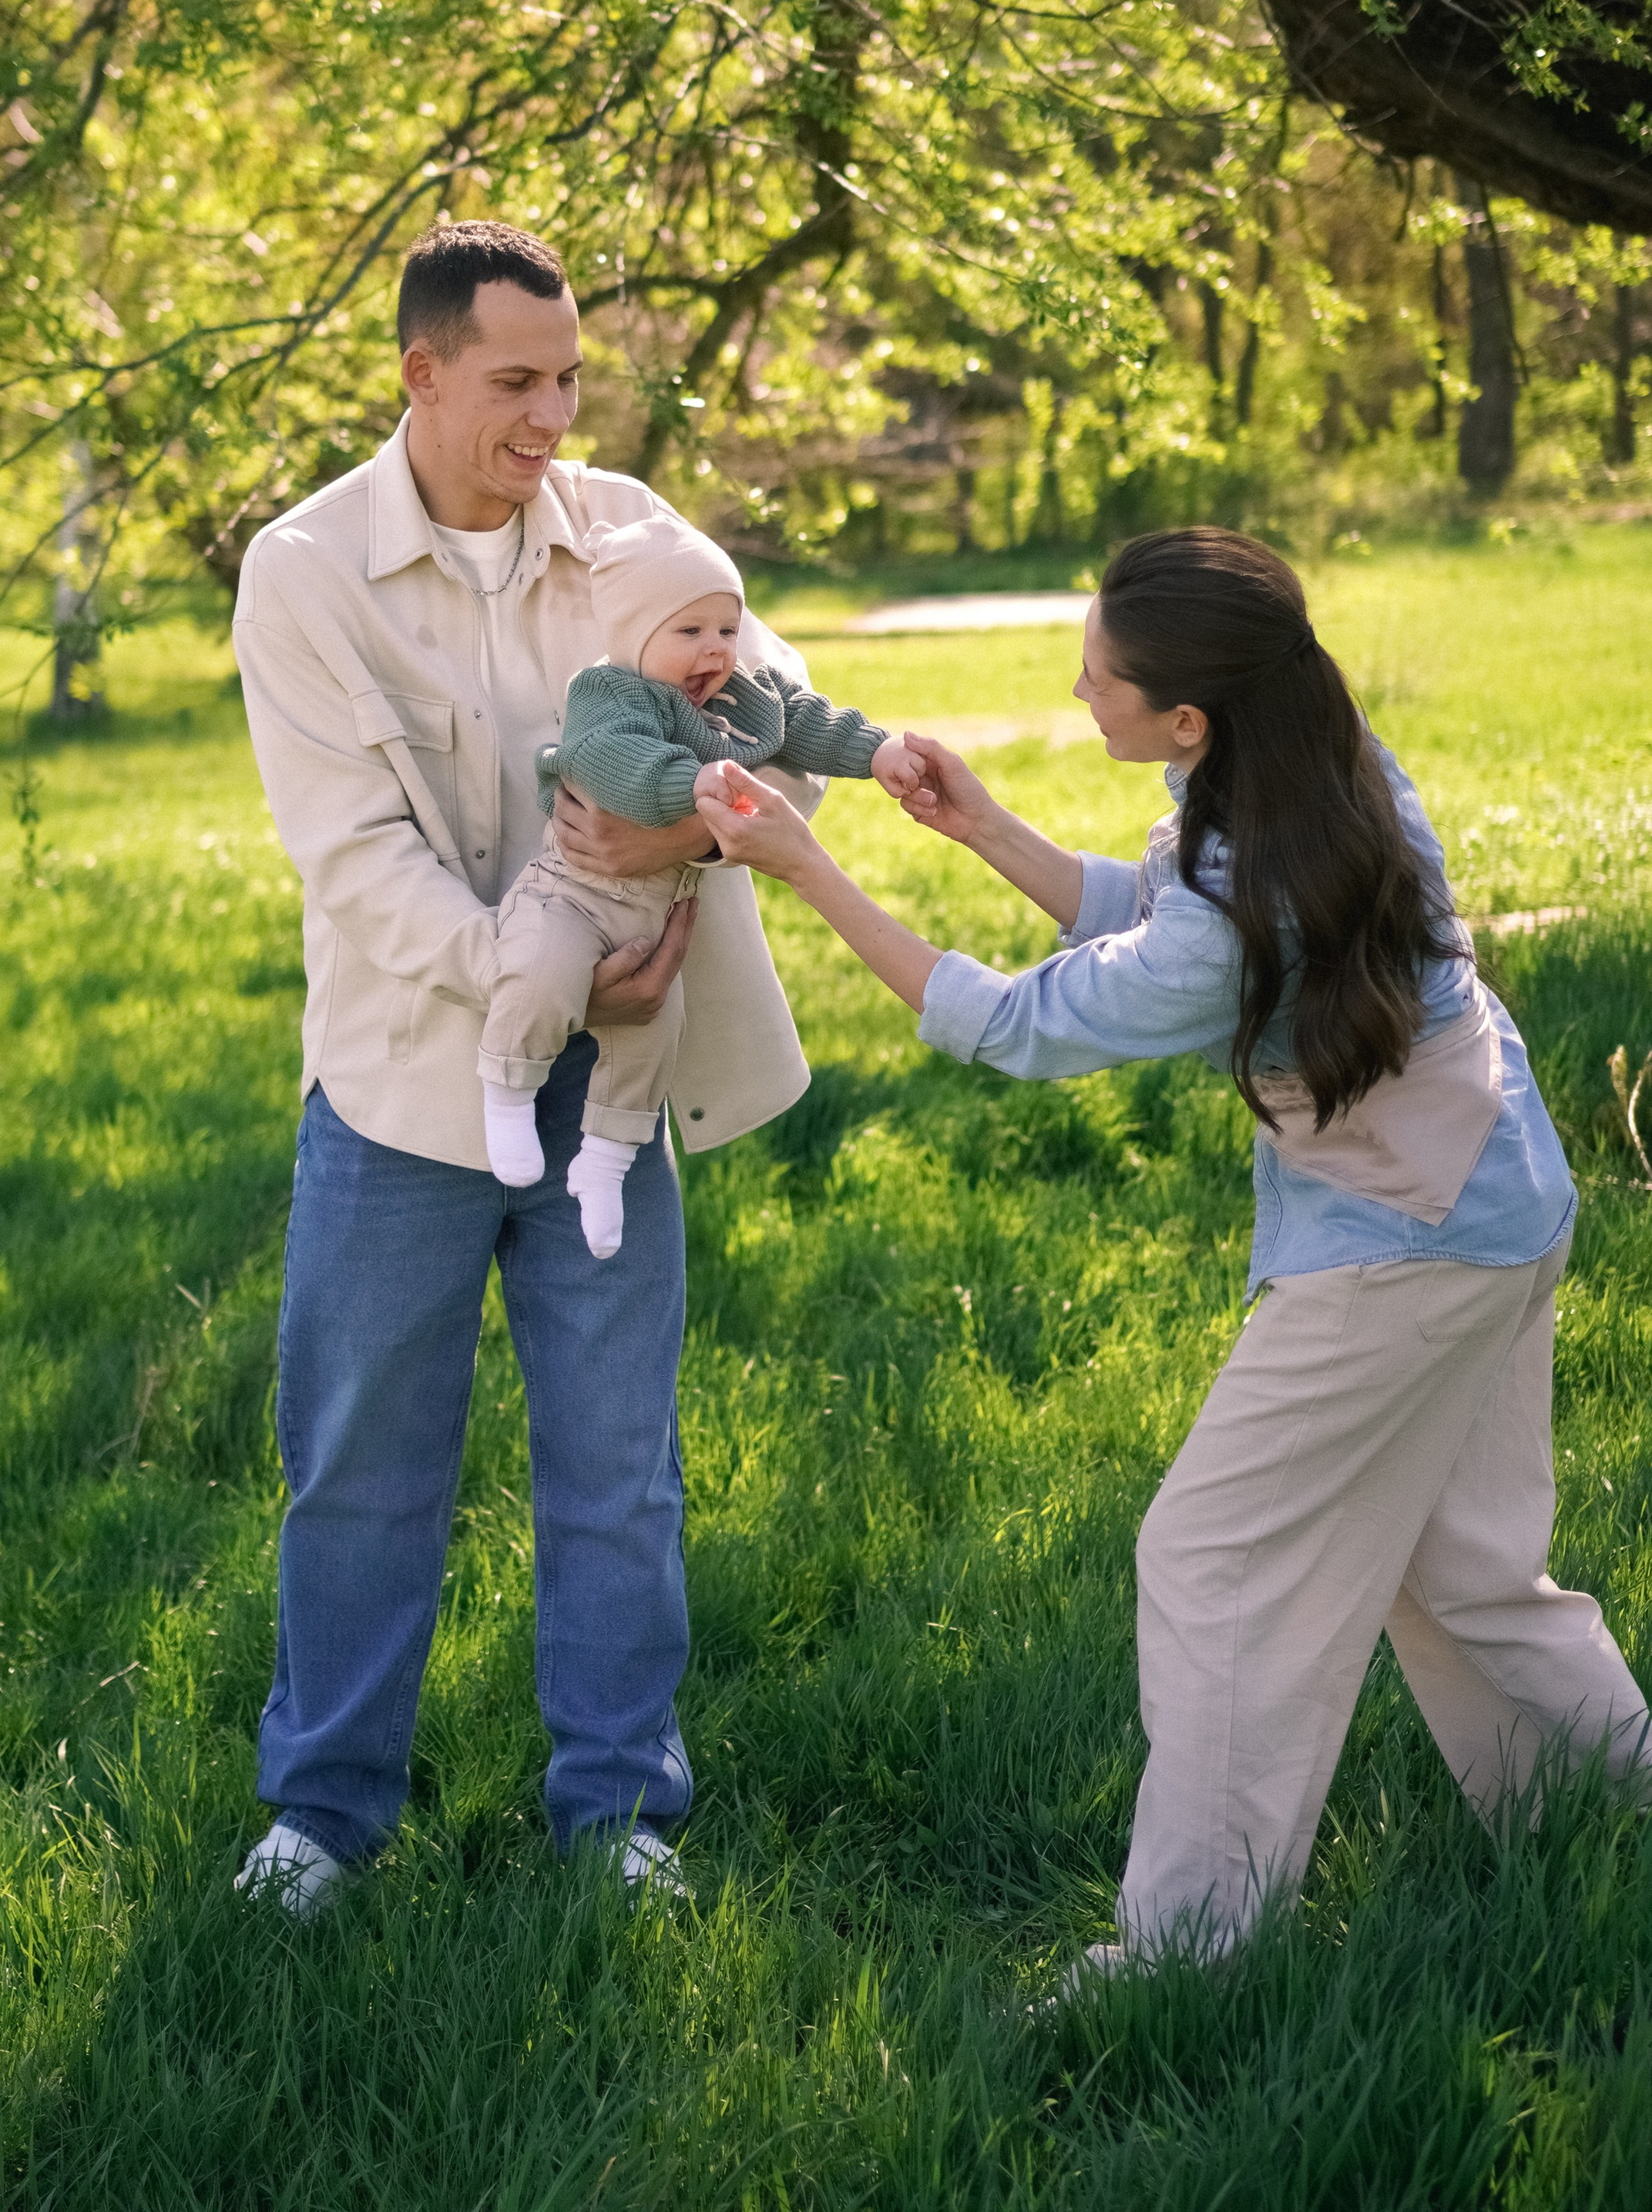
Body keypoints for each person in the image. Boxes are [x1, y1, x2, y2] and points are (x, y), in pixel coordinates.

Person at [698, 525, 1649, 1969]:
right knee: (1460, 1567)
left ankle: (1188, 1950)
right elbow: (1168, 918)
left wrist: (806, 865)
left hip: (1407, 1243)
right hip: (1500, 1191)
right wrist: (983, 829)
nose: (1080, 692)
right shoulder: (1308, 755)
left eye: (1098, 677)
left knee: (1215, 1560)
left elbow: (1021, 1022)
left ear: (1187, 717)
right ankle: (1609, 1812)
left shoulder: (1252, 853)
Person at [229, 219, 825, 1912]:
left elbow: (783, 742)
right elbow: (351, 860)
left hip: (619, 1089)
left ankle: (617, 1812)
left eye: (569, 377)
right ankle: (324, 1817)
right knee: (359, 1463)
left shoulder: (633, 535)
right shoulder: (306, 570)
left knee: (615, 1462)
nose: (552, 416)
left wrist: (664, 886)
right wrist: (549, 976)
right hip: (402, 1092)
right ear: (418, 377)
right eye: (513, 382)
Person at [481, 509, 918, 1254]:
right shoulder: (609, 695)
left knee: (654, 1037)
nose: (714, 650)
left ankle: (605, 1163)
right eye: (689, 632)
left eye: (725, 628)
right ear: (634, 635)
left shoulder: (734, 693)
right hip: (573, 898)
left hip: (656, 916)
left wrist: (877, 753)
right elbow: (623, 772)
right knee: (540, 970)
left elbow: (803, 723)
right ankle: (507, 1090)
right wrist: (701, 782)